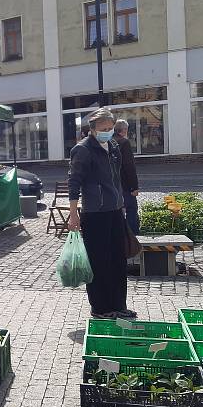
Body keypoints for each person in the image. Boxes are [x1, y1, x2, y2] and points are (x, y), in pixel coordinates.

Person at [67, 108, 136, 320]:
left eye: (110, 128)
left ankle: (118, 305)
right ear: (93, 129)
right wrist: (73, 213)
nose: (107, 132)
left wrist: (121, 202)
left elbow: (116, 178)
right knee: (99, 262)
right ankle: (100, 307)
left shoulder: (114, 145)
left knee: (117, 260)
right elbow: (74, 182)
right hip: (95, 213)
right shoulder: (83, 150)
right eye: (103, 129)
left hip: (114, 210)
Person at [114, 119, 140, 234]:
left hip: (111, 183)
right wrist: (134, 187)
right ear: (124, 130)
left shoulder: (109, 141)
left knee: (116, 209)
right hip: (124, 183)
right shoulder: (124, 143)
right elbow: (129, 166)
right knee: (131, 208)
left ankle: (118, 233)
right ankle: (132, 235)